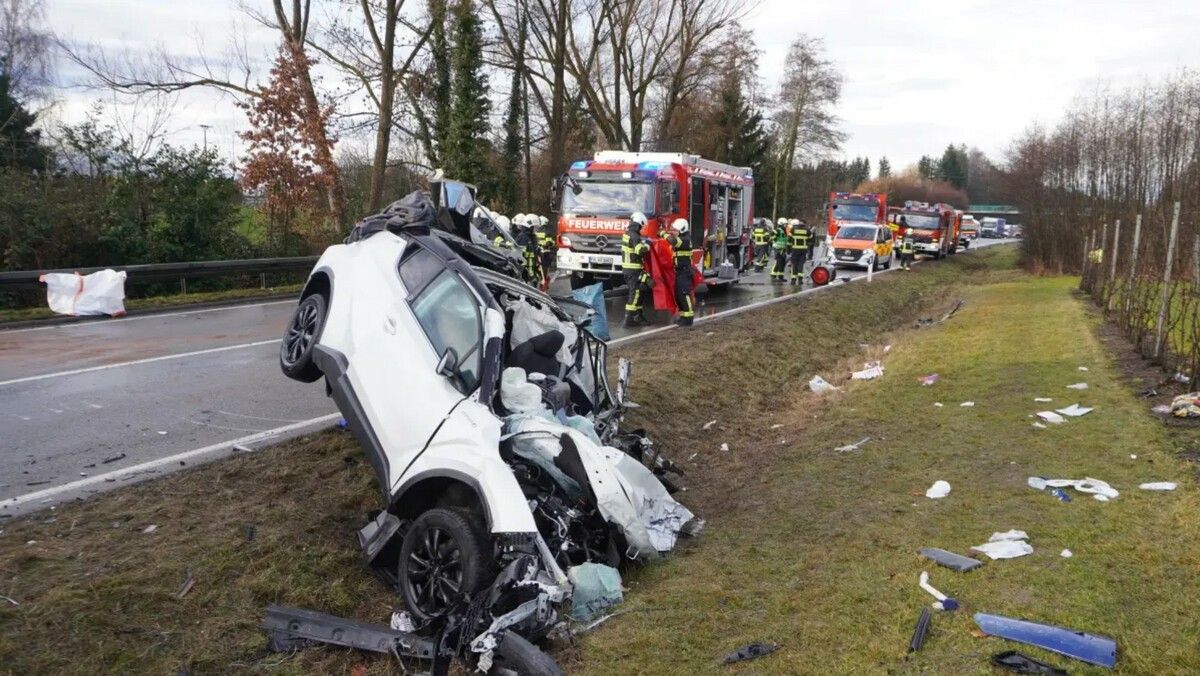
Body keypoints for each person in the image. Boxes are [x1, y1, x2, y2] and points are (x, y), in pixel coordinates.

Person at [621, 212, 653, 327]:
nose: (642, 228)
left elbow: (633, 248)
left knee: (640, 291)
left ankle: (638, 316)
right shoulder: (634, 236)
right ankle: (628, 320)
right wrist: (648, 244)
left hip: (629, 269)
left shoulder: (628, 234)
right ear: (639, 224)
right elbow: (640, 251)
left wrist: (642, 242)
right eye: (641, 226)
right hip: (633, 270)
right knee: (635, 294)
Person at [664, 218, 695, 326]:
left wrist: (663, 234)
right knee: (679, 296)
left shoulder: (685, 239)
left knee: (684, 294)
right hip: (680, 271)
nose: (674, 232)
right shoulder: (682, 238)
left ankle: (689, 318)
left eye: (675, 230)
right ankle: (683, 317)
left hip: (685, 272)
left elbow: (673, 241)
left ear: (682, 230)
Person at [512, 215, 543, 283]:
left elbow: (532, 257)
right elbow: (519, 257)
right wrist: (525, 274)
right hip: (524, 274)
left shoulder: (531, 237)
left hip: (530, 274)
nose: (537, 230)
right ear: (530, 226)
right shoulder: (523, 238)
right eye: (535, 227)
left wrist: (537, 251)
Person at [788, 217, 810, 285]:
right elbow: (811, 238)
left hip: (795, 250)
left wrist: (788, 249)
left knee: (794, 264)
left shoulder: (793, 229)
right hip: (803, 250)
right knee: (801, 264)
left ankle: (793, 280)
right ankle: (800, 280)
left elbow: (789, 239)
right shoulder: (807, 230)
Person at [534, 214, 555, 285]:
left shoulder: (535, 230)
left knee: (539, 268)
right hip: (545, 252)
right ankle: (544, 281)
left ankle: (541, 280)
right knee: (545, 268)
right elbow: (550, 242)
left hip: (538, 251)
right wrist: (552, 243)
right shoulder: (546, 231)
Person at [770, 217, 790, 282]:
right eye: (785, 224)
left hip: (782, 248)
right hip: (778, 248)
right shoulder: (778, 230)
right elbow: (771, 234)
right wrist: (774, 239)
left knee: (781, 262)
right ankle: (777, 276)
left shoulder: (784, 230)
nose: (786, 225)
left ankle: (777, 276)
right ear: (781, 224)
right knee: (780, 262)